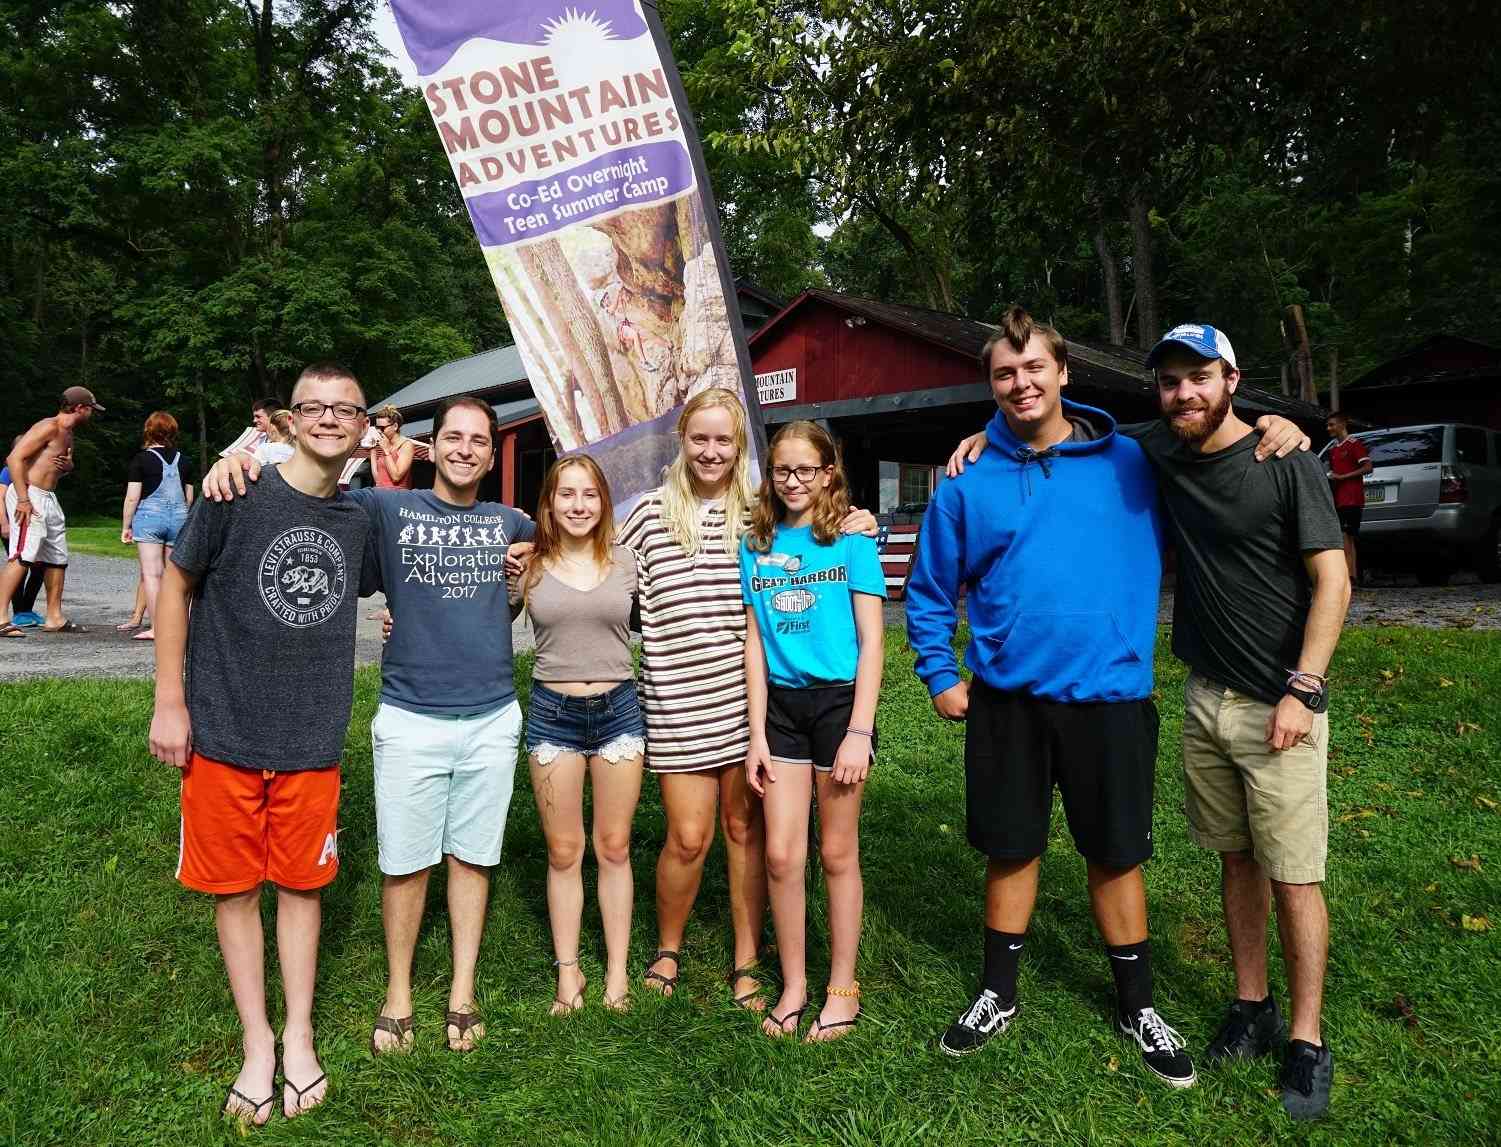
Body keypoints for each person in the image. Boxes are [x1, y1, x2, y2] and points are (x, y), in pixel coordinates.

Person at [906, 306, 1197, 1087]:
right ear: (989, 385)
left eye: (1033, 367)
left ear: (1063, 371)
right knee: (1011, 846)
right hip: (1007, 700)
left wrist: (1286, 433)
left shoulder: (1132, 461)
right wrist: (938, 673)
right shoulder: (967, 483)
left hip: (1110, 693)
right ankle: (997, 993)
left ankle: (1136, 1003)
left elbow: (1215, 436)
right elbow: (929, 589)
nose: (1020, 382)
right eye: (1004, 372)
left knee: (1115, 852)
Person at [201, 395, 534, 1055]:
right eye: (453, 438)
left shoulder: (510, 521)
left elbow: (557, 544)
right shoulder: (385, 508)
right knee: (405, 861)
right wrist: (243, 458)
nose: (465, 449)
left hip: (493, 714)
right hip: (411, 713)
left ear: (493, 454)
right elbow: (312, 483)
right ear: (429, 448)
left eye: (478, 441)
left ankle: (462, 989)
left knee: (472, 857)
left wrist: (523, 577)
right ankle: (400, 990)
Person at [149, 363, 374, 1125]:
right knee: (235, 889)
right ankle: (257, 1042)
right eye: (314, 406)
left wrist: (514, 560)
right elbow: (176, 584)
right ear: (290, 417)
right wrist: (170, 702)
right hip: (223, 730)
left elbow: (437, 546)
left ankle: (300, 1034)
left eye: (346, 408)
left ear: (364, 426)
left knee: (302, 888)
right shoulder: (235, 491)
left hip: (311, 737)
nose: (329, 418)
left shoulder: (360, 518)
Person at [1140, 324, 1349, 1120]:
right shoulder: (1160, 449)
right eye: (1168, 381)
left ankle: (1305, 1038)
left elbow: (1331, 581)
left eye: (1198, 377)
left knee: (1294, 873)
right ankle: (1250, 1003)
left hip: (1280, 704)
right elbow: (1062, 417)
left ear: (1232, 378)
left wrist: (1303, 688)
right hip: (1205, 697)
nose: (1183, 393)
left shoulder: (1283, 457)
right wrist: (977, 441)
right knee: (1234, 860)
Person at [741, 421, 885, 1042]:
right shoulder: (756, 541)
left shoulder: (851, 541)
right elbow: (753, 641)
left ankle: (843, 986)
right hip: (780, 710)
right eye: (781, 471)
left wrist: (860, 730)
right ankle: (795, 982)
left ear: (829, 473)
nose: (793, 481)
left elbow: (875, 640)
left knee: (836, 851)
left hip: (838, 707)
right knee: (780, 854)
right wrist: (755, 734)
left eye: (805, 470)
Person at [512, 455, 645, 1014]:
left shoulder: (628, 563)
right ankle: (570, 973)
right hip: (553, 715)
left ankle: (616, 972)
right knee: (565, 851)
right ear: (549, 503)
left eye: (589, 495)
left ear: (603, 503)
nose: (578, 505)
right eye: (566, 494)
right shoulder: (528, 564)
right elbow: (476, 616)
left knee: (613, 847)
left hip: (618, 712)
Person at [0, 386, 103, 637]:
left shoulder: (69, 434)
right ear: (80, 408)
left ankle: (54, 617)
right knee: (23, 555)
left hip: (48, 497)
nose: (92, 413)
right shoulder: (48, 426)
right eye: (91, 408)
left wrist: (69, 466)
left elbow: (60, 464)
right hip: (30, 494)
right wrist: (23, 499)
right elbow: (14, 458)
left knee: (57, 558)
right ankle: (1, 618)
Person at [120, 411, 195, 642]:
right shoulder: (185, 460)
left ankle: (158, 628)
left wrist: (126, 525)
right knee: (175, 575)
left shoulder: (141, 459)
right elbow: (189, 497)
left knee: (152, 574)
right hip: (180, 518)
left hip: (150, 518)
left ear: (148, 430)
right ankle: (181, 624)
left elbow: (133, 497)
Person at [1324, 411, 1371, 584]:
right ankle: (1350, 575)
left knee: (1347, 536)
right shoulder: (1333, 449)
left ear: (1342, 424)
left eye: (1332, 424)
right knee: (1343, 536)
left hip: (1352, 498)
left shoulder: (1354, 444)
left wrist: (1343, 477)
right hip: (1338, 499)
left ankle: (1352, 576)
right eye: (1328, 425)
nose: (1329, 428)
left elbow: (1368, 467)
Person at [370, 404, 416, 489]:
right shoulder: (384, 444)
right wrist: (372, 451)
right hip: (380, 495)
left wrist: (386, 451)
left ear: (395, 426)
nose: (379, 431)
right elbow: (378, 480)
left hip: (397, 497)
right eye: (377, 427)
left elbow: (396, 477)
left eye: (382, 428)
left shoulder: (406, 445)